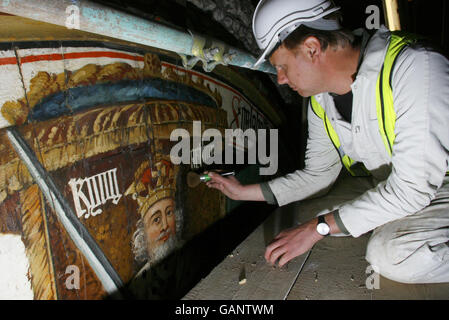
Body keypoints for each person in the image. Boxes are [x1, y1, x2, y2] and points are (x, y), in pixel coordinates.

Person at [206, 0, 449, 284]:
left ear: (311, 48)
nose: (281, 80)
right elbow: (319, 174)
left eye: (282, 66)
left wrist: (316, 228)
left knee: (391, 254)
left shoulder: (415, 67)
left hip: (434, 185)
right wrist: (242, 192)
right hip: (415, 189)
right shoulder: (321, 100)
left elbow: (410, 191)